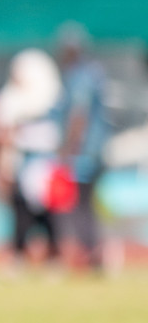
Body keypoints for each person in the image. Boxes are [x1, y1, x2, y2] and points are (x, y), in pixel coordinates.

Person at [0, 48, 64, 270]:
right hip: (20, 163)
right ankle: (18, 256)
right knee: (21, 212)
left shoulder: (52, 98)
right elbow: (0, 133)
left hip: (44, 164)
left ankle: (54, 258)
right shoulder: (8, 99)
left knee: (48, 214)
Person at [55, 23, 110, 272]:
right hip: (96, 149)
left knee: (80, 205)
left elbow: (79, 115)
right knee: (86, 205)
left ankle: (90, 256)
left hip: (85, 152)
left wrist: (68, 148)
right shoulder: (93, 72)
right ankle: (93, 255)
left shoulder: (80, 75)